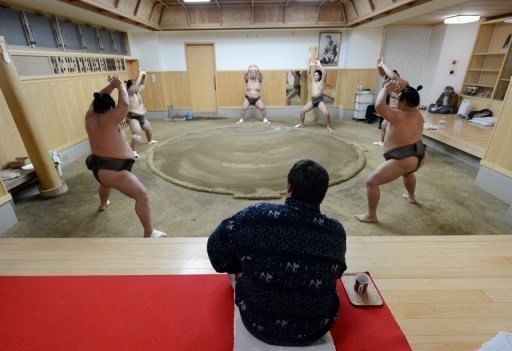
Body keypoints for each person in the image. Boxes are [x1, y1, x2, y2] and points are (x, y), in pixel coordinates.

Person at [207, 159, 346, 347]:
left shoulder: (255, 216)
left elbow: (216, 251)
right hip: (314, 327)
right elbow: (337, 273)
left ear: (289, 189)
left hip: (258, 321)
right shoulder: (335, 232)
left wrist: (237, 268)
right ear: (322, 195)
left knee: (237, 257)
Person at [85, 76, 167, 238]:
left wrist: (111, 86)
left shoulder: (90, 116)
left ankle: (103, 204)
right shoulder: (110, 118)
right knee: (142, 195)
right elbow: (124, 105)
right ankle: (149, 232)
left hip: (100, 168)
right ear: (110, 108)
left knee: (105, 183)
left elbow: (98, 97)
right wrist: (120, 86)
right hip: (114, 170)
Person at [355, 80, 426, 223]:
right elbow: (409, 94)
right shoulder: (417, 113)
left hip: (404, 158)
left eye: (397, 100)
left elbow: (379, 106)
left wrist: (386, 88)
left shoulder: (400, 116)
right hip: (419, 155)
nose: (395, 103)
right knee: (408, 173)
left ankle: (371, 215)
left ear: (405, 103)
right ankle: (411, 196)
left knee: (371, 182)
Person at [374, 57, 410, 146]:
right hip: (392, 109)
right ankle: (383, 142)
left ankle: (392, 144)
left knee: (391, 129)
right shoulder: (390, 84)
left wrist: (382, 64)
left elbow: (393, 77)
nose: (390, 79)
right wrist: (379, 66)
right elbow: (382, 74)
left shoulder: (404, 84)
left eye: (390, 77)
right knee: (383, 126)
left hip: (402, 112)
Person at [126, 69, 157, 158]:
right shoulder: (129, 93)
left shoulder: (137, 92)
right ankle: (133, 151)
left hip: (141, 116)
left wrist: (144, 74)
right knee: (137, 133)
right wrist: (139, 74)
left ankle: (150, 141)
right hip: (132, 117)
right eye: (134, 83)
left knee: (148, 128)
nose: (137, 84)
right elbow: (136, 84)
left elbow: (142, 83)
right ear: (130, 86)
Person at [295, 60, 334, 132]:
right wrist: (310, 65)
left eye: (317, 75)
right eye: (315, 75)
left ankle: (328, 126)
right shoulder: (313, 80)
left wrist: (319, 65)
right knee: (302, 111)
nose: (315, 76)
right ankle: (301, 124)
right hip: (313, 100)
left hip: (319, 101)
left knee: (326, 113)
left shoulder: (321, 82)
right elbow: (308, 73)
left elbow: (324, 74)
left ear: (319, 76)